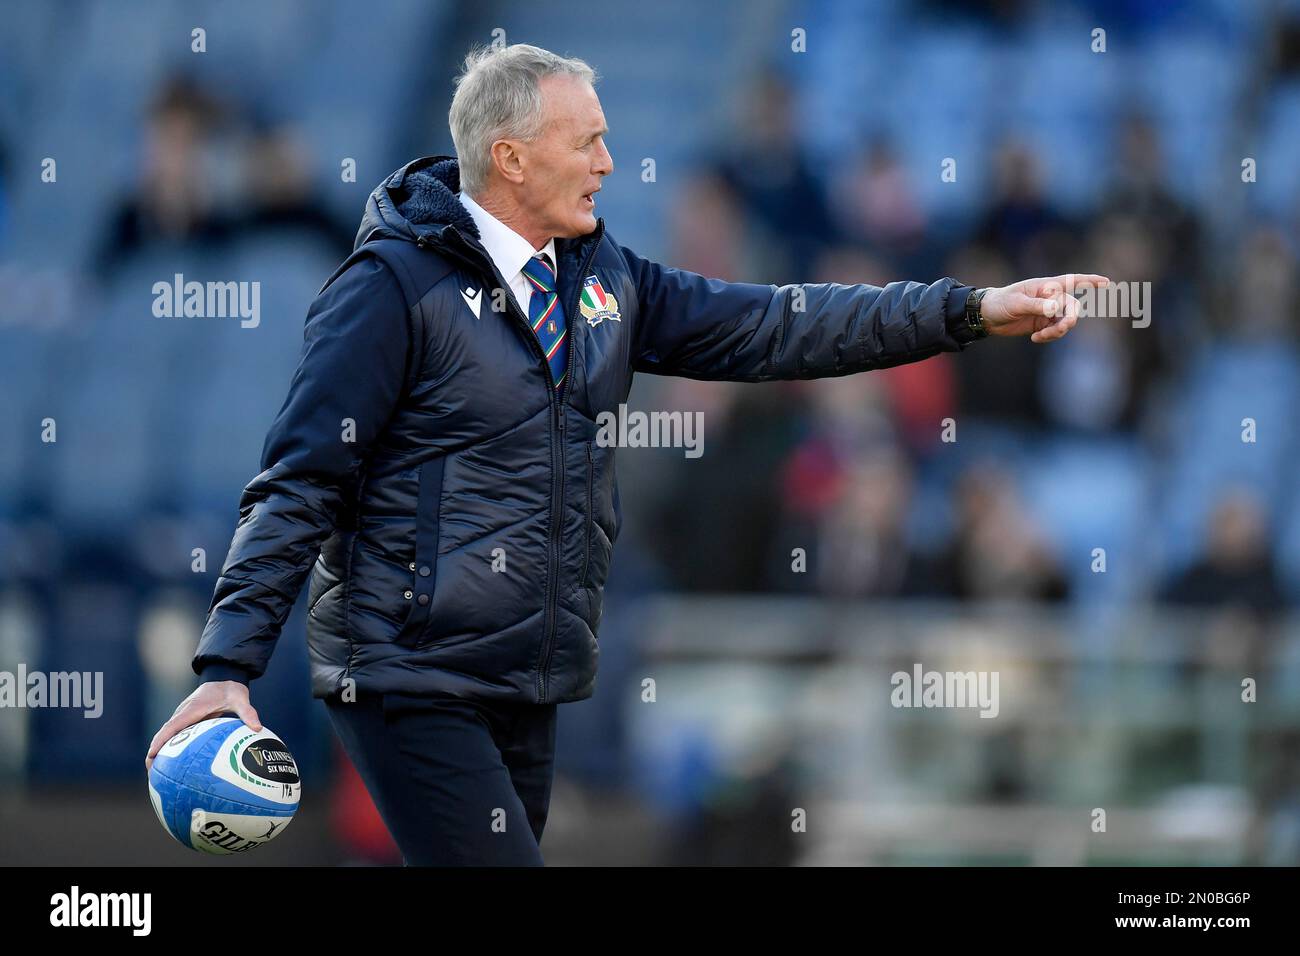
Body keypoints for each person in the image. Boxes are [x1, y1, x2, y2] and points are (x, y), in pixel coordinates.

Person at [146, 42, 1108, 865]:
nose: (611, 159)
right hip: (409, 673)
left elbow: (782, 325)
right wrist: (225, 667)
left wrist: (968, 311)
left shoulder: (606, 279)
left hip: (528, 673)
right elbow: (301, 479)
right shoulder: (389, 289)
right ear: (512, 158)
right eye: (589, 140)